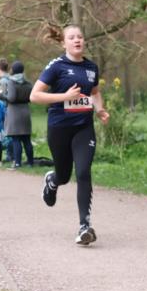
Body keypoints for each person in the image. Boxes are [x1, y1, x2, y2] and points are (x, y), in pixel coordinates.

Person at [30, 24, 109, 245]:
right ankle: (52, 181)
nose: (77, 40)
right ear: (64, 43)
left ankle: (85, 225)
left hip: (83, 128)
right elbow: (34, 96)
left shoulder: (91, 67)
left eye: (80, 37)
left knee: (83, 172)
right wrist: (63, 96)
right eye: (72, 37)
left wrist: (100, 109)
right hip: (59, 128)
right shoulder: (56, 66)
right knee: (64, 175)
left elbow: (94, 92)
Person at [0, 60, 34, 168]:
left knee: (16, 139)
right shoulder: (28, 82)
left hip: (14, 112)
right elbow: (30, 98)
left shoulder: (11, 82)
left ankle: (17, 163)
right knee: (27, 139)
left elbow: (11, 98)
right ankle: (30, 162)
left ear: (13, 70)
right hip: (25, 111)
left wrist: (0, 95)